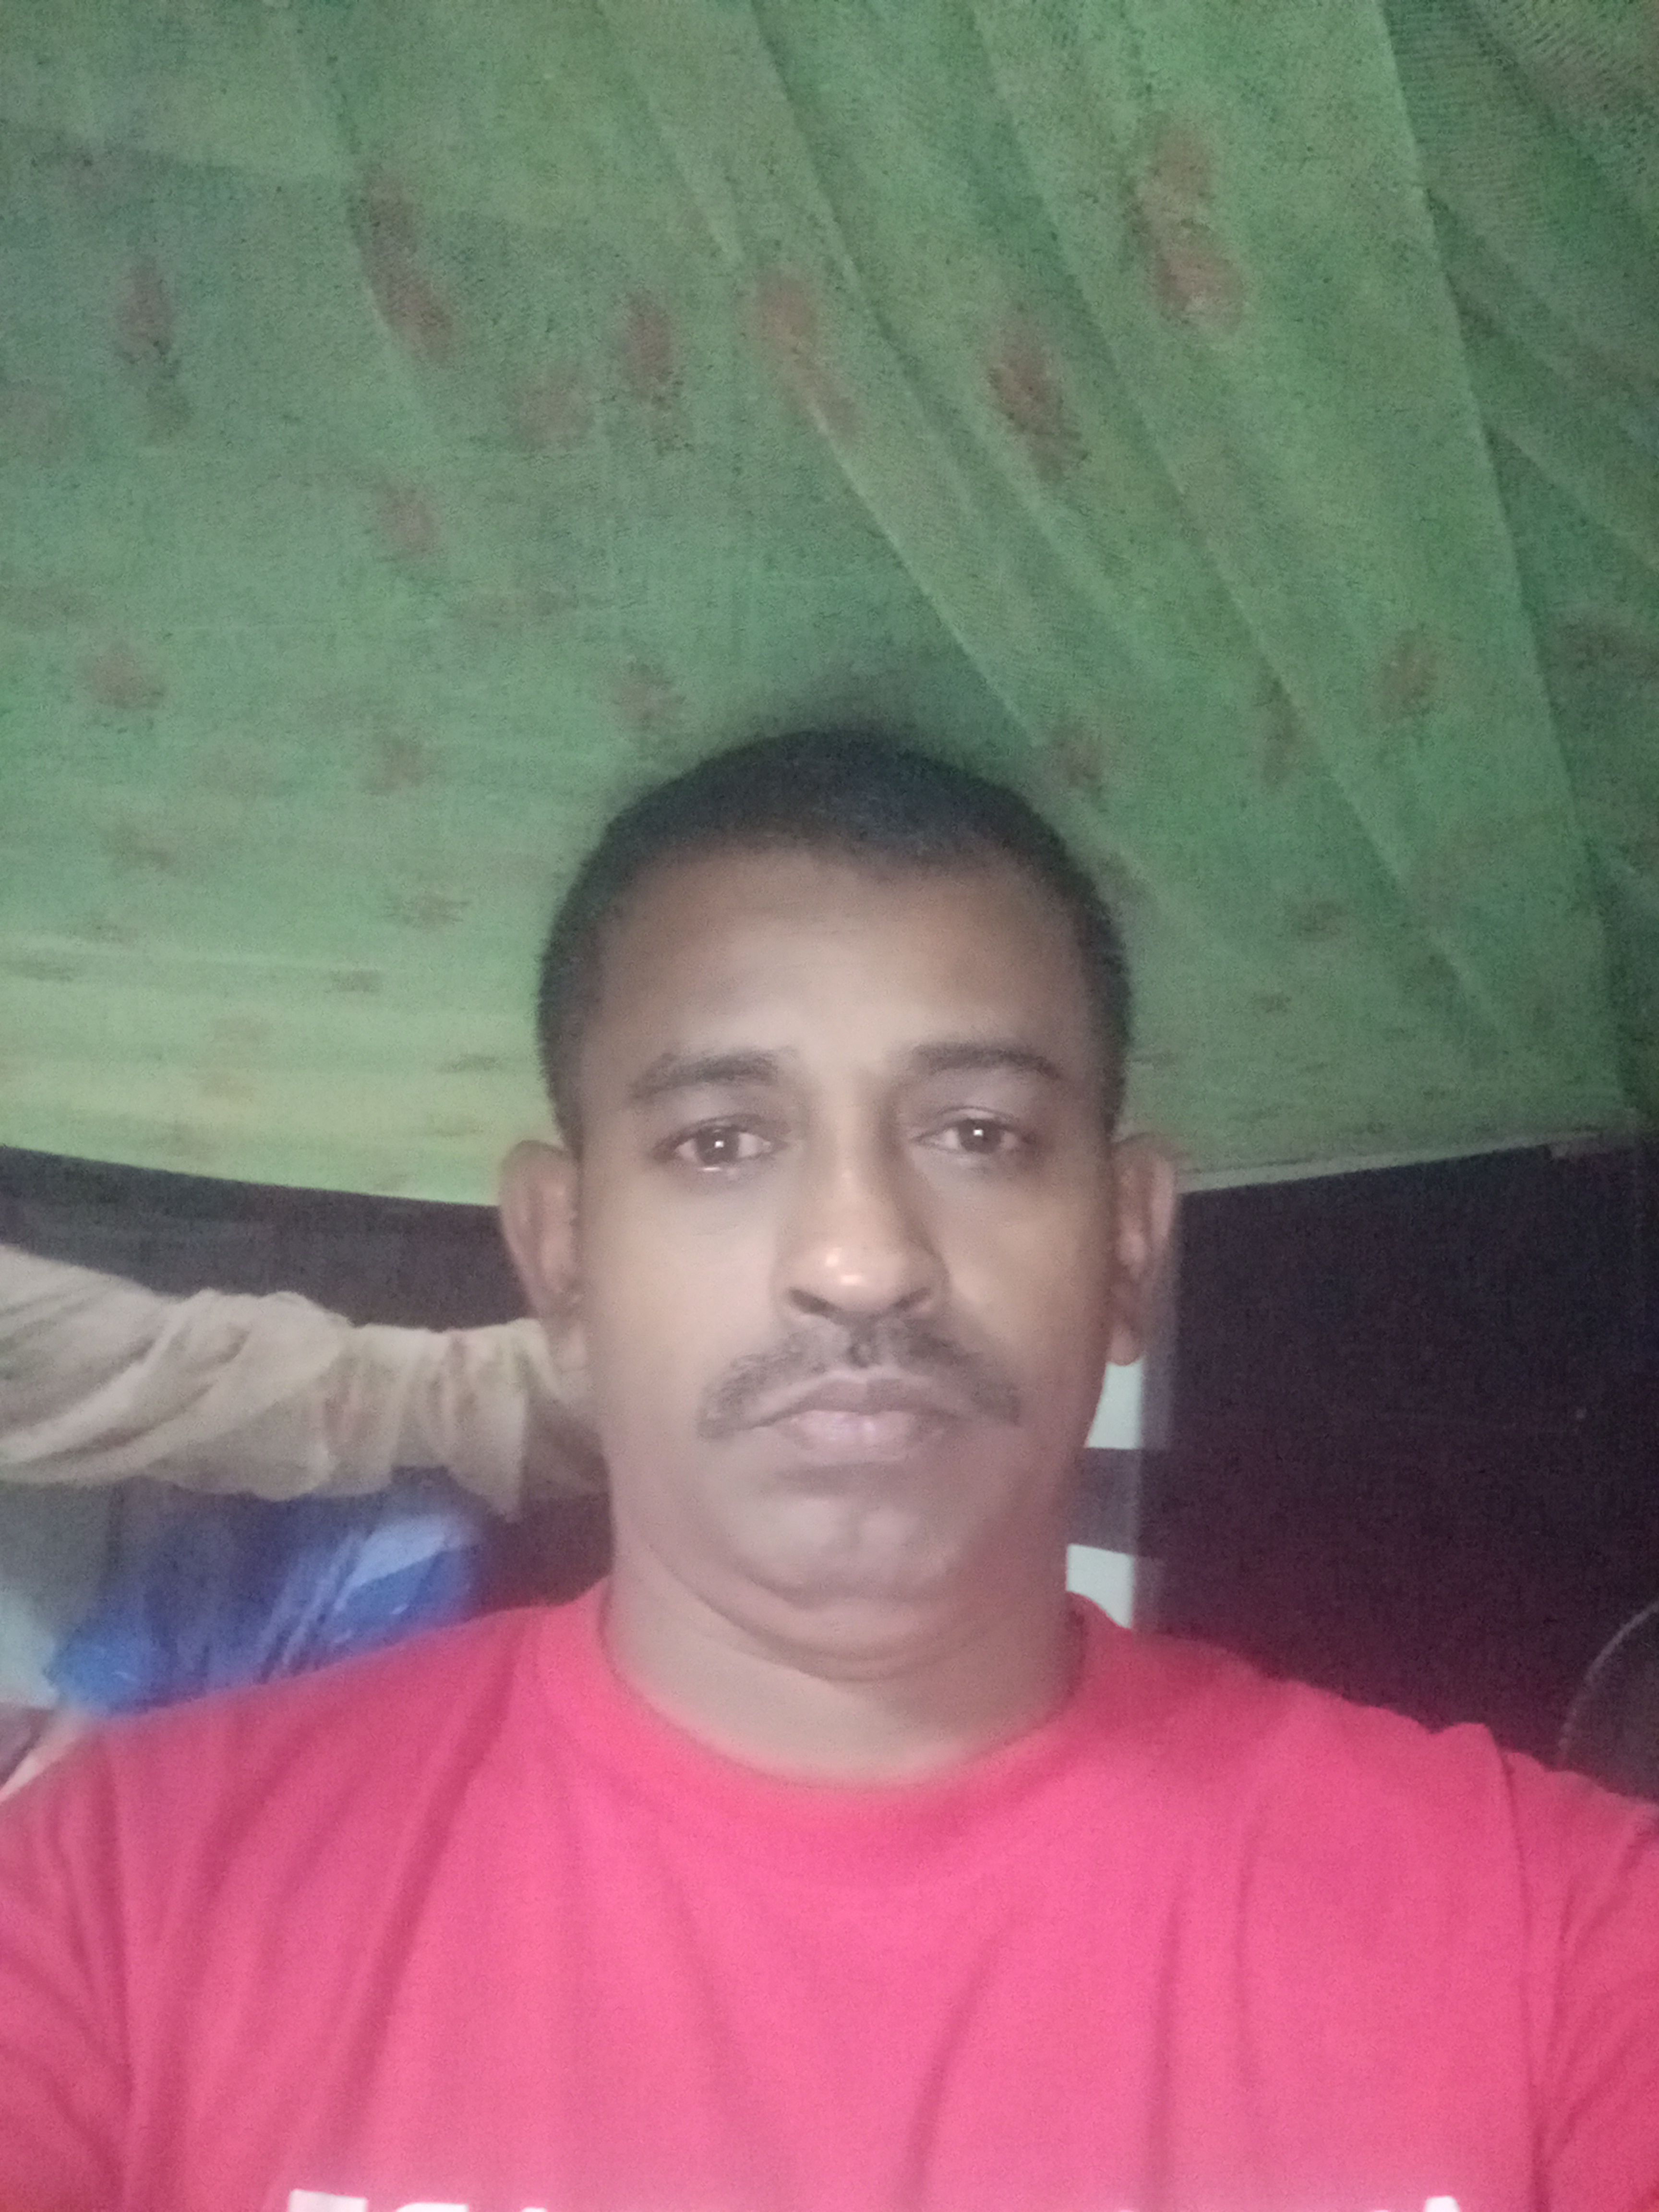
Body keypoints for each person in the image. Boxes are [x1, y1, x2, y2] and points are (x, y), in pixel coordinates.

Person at [0, 731, 1655, 2212]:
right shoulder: (104, 1914)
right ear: (561, 1251)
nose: (862, 1262)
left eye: (981, 1134)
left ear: (1130, 1245)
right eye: (721, 1141)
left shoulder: (1563, 1947)